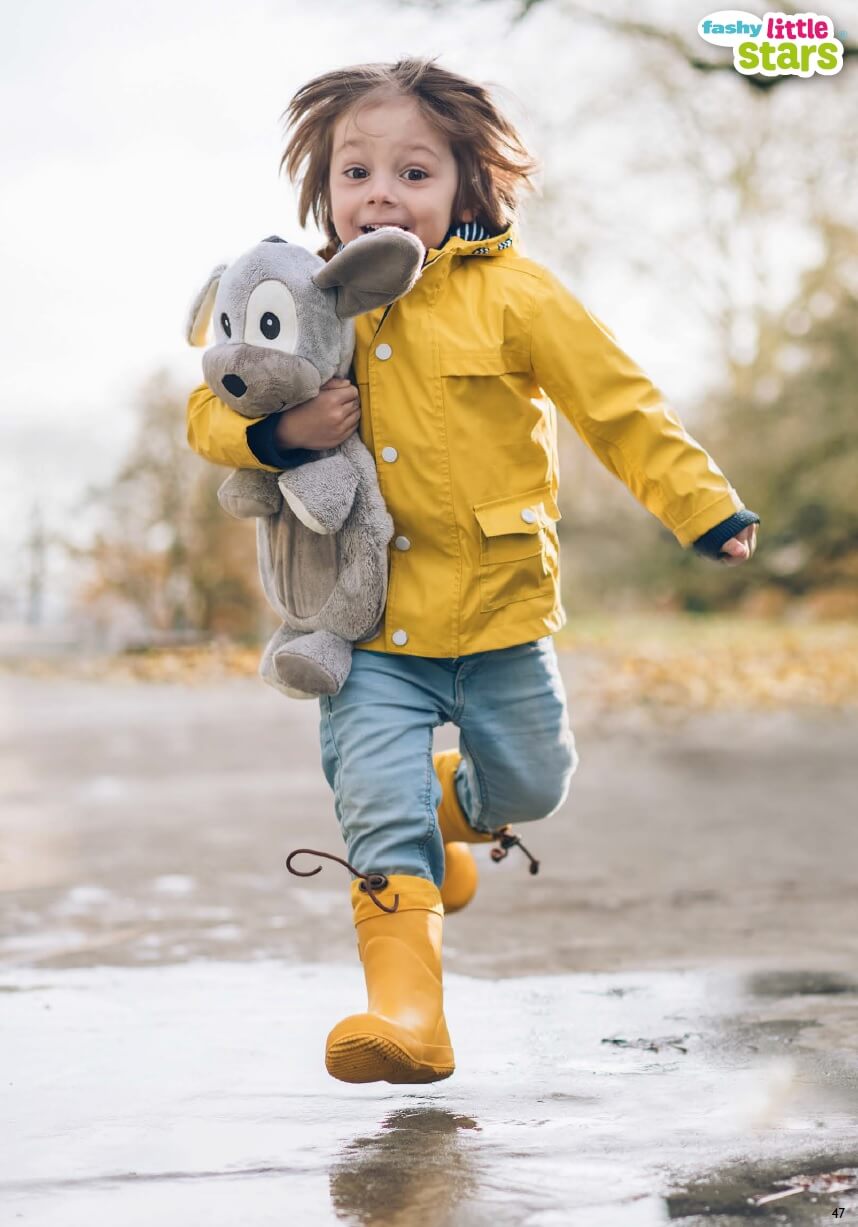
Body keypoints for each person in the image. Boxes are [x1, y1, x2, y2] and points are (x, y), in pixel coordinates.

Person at [186, 58, 759, 1086]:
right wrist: (277, 432)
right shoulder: (303, 301)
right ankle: (407, 1018)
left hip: (499, 612)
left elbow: (616, 407)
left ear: (464, 185)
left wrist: (702, 506)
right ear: (323, 185)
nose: (381, 193)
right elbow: (210, 400)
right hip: (362, 632)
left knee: (536, 783)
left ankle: (450, 804)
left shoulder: (517, 296)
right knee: (376, 811)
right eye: (356, 171)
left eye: (413, 172)